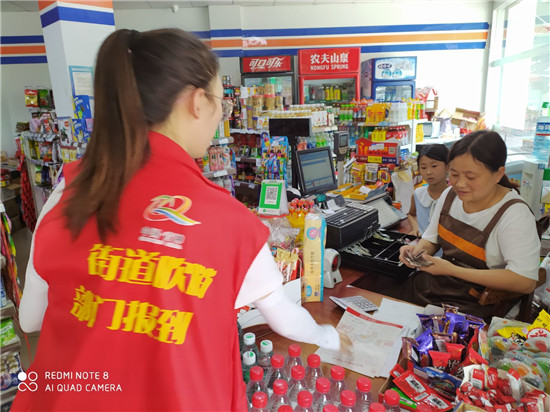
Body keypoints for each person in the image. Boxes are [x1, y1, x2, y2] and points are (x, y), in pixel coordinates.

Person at [12, 29, 350, 412]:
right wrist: (329, 337)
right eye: (221, 101)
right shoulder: (227, 220)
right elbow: (286, 320)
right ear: (197, 101)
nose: (221, 114)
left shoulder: (67, 192)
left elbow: (31, 320)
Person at [398, 131, 540, 319]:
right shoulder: (449, 196)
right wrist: (418, 252)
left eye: (471, 177)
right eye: (454, 174)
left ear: (498, 174)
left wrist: (452, 270)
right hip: (437, 287)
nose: (460, 184)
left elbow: (525, 281)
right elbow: (431, 239)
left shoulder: (514, 214)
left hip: (479, 303)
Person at [407, 144, 449, 237]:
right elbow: (411, 214)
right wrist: (416, 228)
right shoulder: (418, 194)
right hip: (423, 244)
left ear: (448, 166)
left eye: (434, 166)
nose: (428, 172)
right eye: (423, 167)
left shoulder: (454, 196)